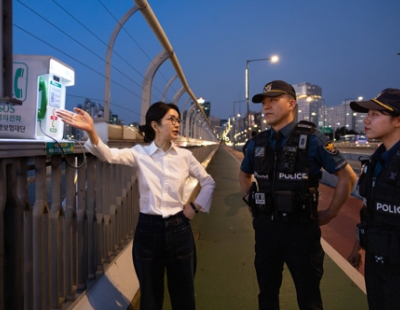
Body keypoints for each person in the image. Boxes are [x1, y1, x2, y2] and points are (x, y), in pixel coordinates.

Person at [56, 102, 215, 310]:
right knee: (150, 296)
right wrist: (91, 131)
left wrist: (194, 207)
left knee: (184, 294)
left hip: (180, 228)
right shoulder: (140, 153)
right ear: (155, 125)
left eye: (178, 120)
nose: (177, 124)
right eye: (171, 119)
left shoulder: (185, 157)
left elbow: (208, 182)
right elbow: (108, 155)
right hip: (148, 230)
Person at [239, 80, 357, 310]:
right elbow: (244, 175)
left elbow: (347, 176)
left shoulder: (313, 139)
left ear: (292, 103)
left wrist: (331, 213)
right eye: (264, 102)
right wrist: (251, 205)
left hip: (301, 232)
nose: (266, 106)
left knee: (309, 298)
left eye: (274, 100)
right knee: (267, 296)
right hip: (266, 232)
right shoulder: (258, 142)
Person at [347, 88, 400, 310]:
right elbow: (368, 210)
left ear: (397, 120)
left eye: (375, 114)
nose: (366, 120)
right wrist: (358, 247)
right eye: (367, 114)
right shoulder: (375, 163)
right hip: (377, 259)